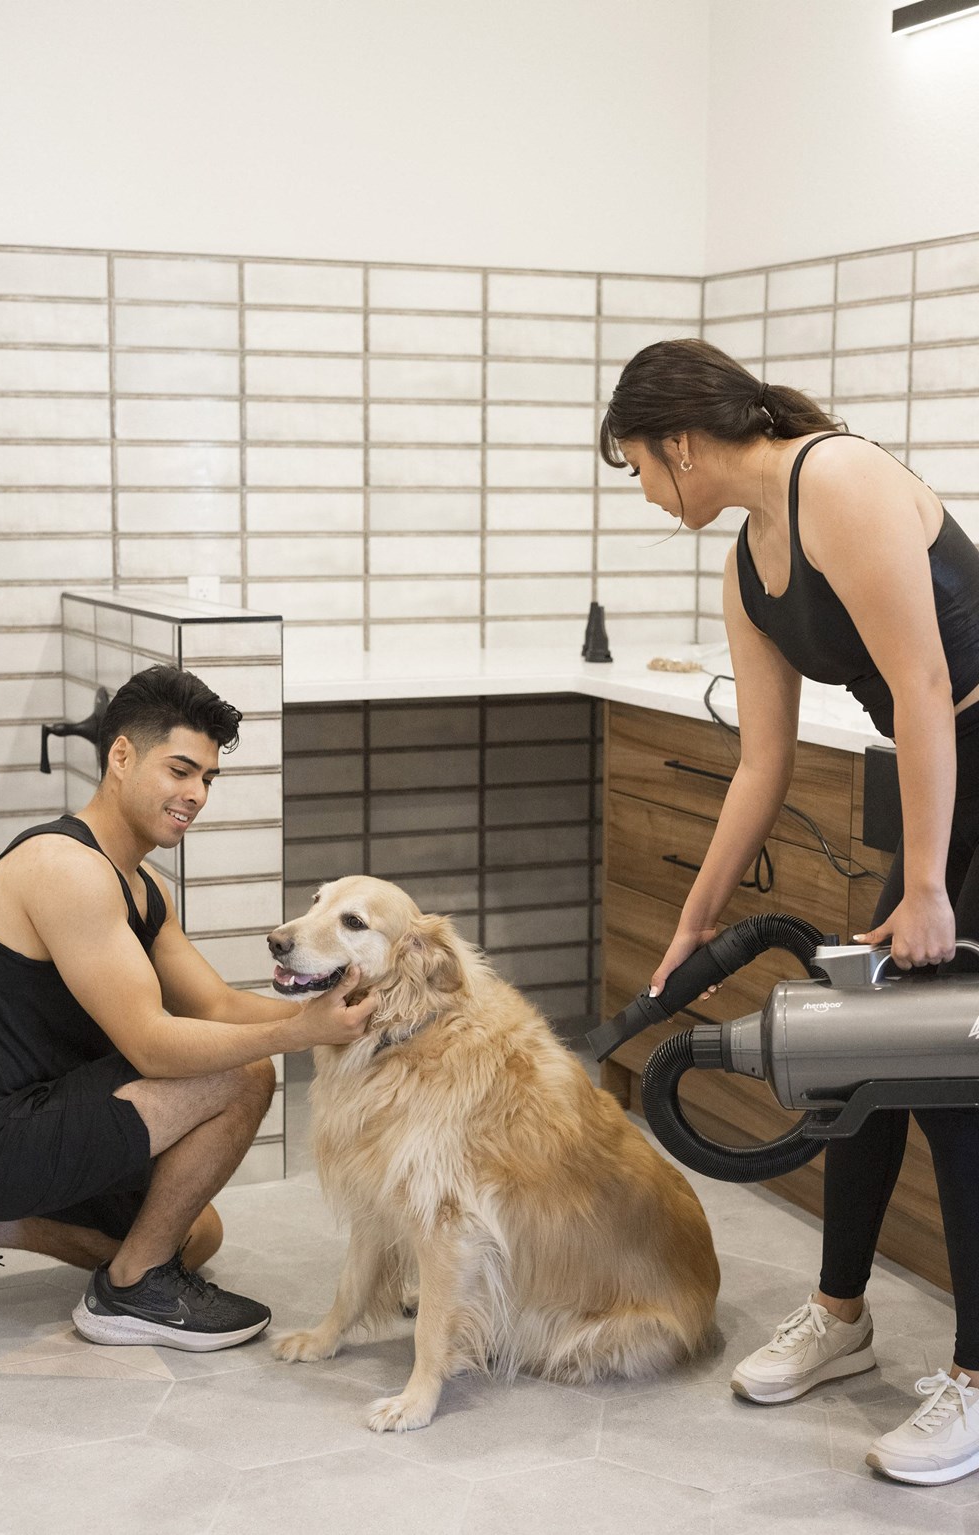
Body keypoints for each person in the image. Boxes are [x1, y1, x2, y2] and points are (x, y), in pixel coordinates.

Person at [600, 338, 979, 1487]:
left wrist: (924, 889)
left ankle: (974, 1377)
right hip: (937, 779)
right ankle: (840, 1311)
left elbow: (921, 683)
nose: (649, 494)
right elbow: (759, 762)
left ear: (677, 442)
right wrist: (690, 927)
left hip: (970, 756)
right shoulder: (747, 562)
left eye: (638, 468)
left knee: (955, 1077)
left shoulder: (842, 479)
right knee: (855, 1050)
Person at [0, 664, 377, 1351]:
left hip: (39, 1120)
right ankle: (130, 1289)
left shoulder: (142, 884)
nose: (195, 794)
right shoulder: (65, 868)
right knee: (246, 1076)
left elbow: (212, 1003)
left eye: (207, 777)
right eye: (180, 769)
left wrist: (330, 1000)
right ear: (121, 755)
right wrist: (299, 1033)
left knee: (195, 1228)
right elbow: (153, 1045)